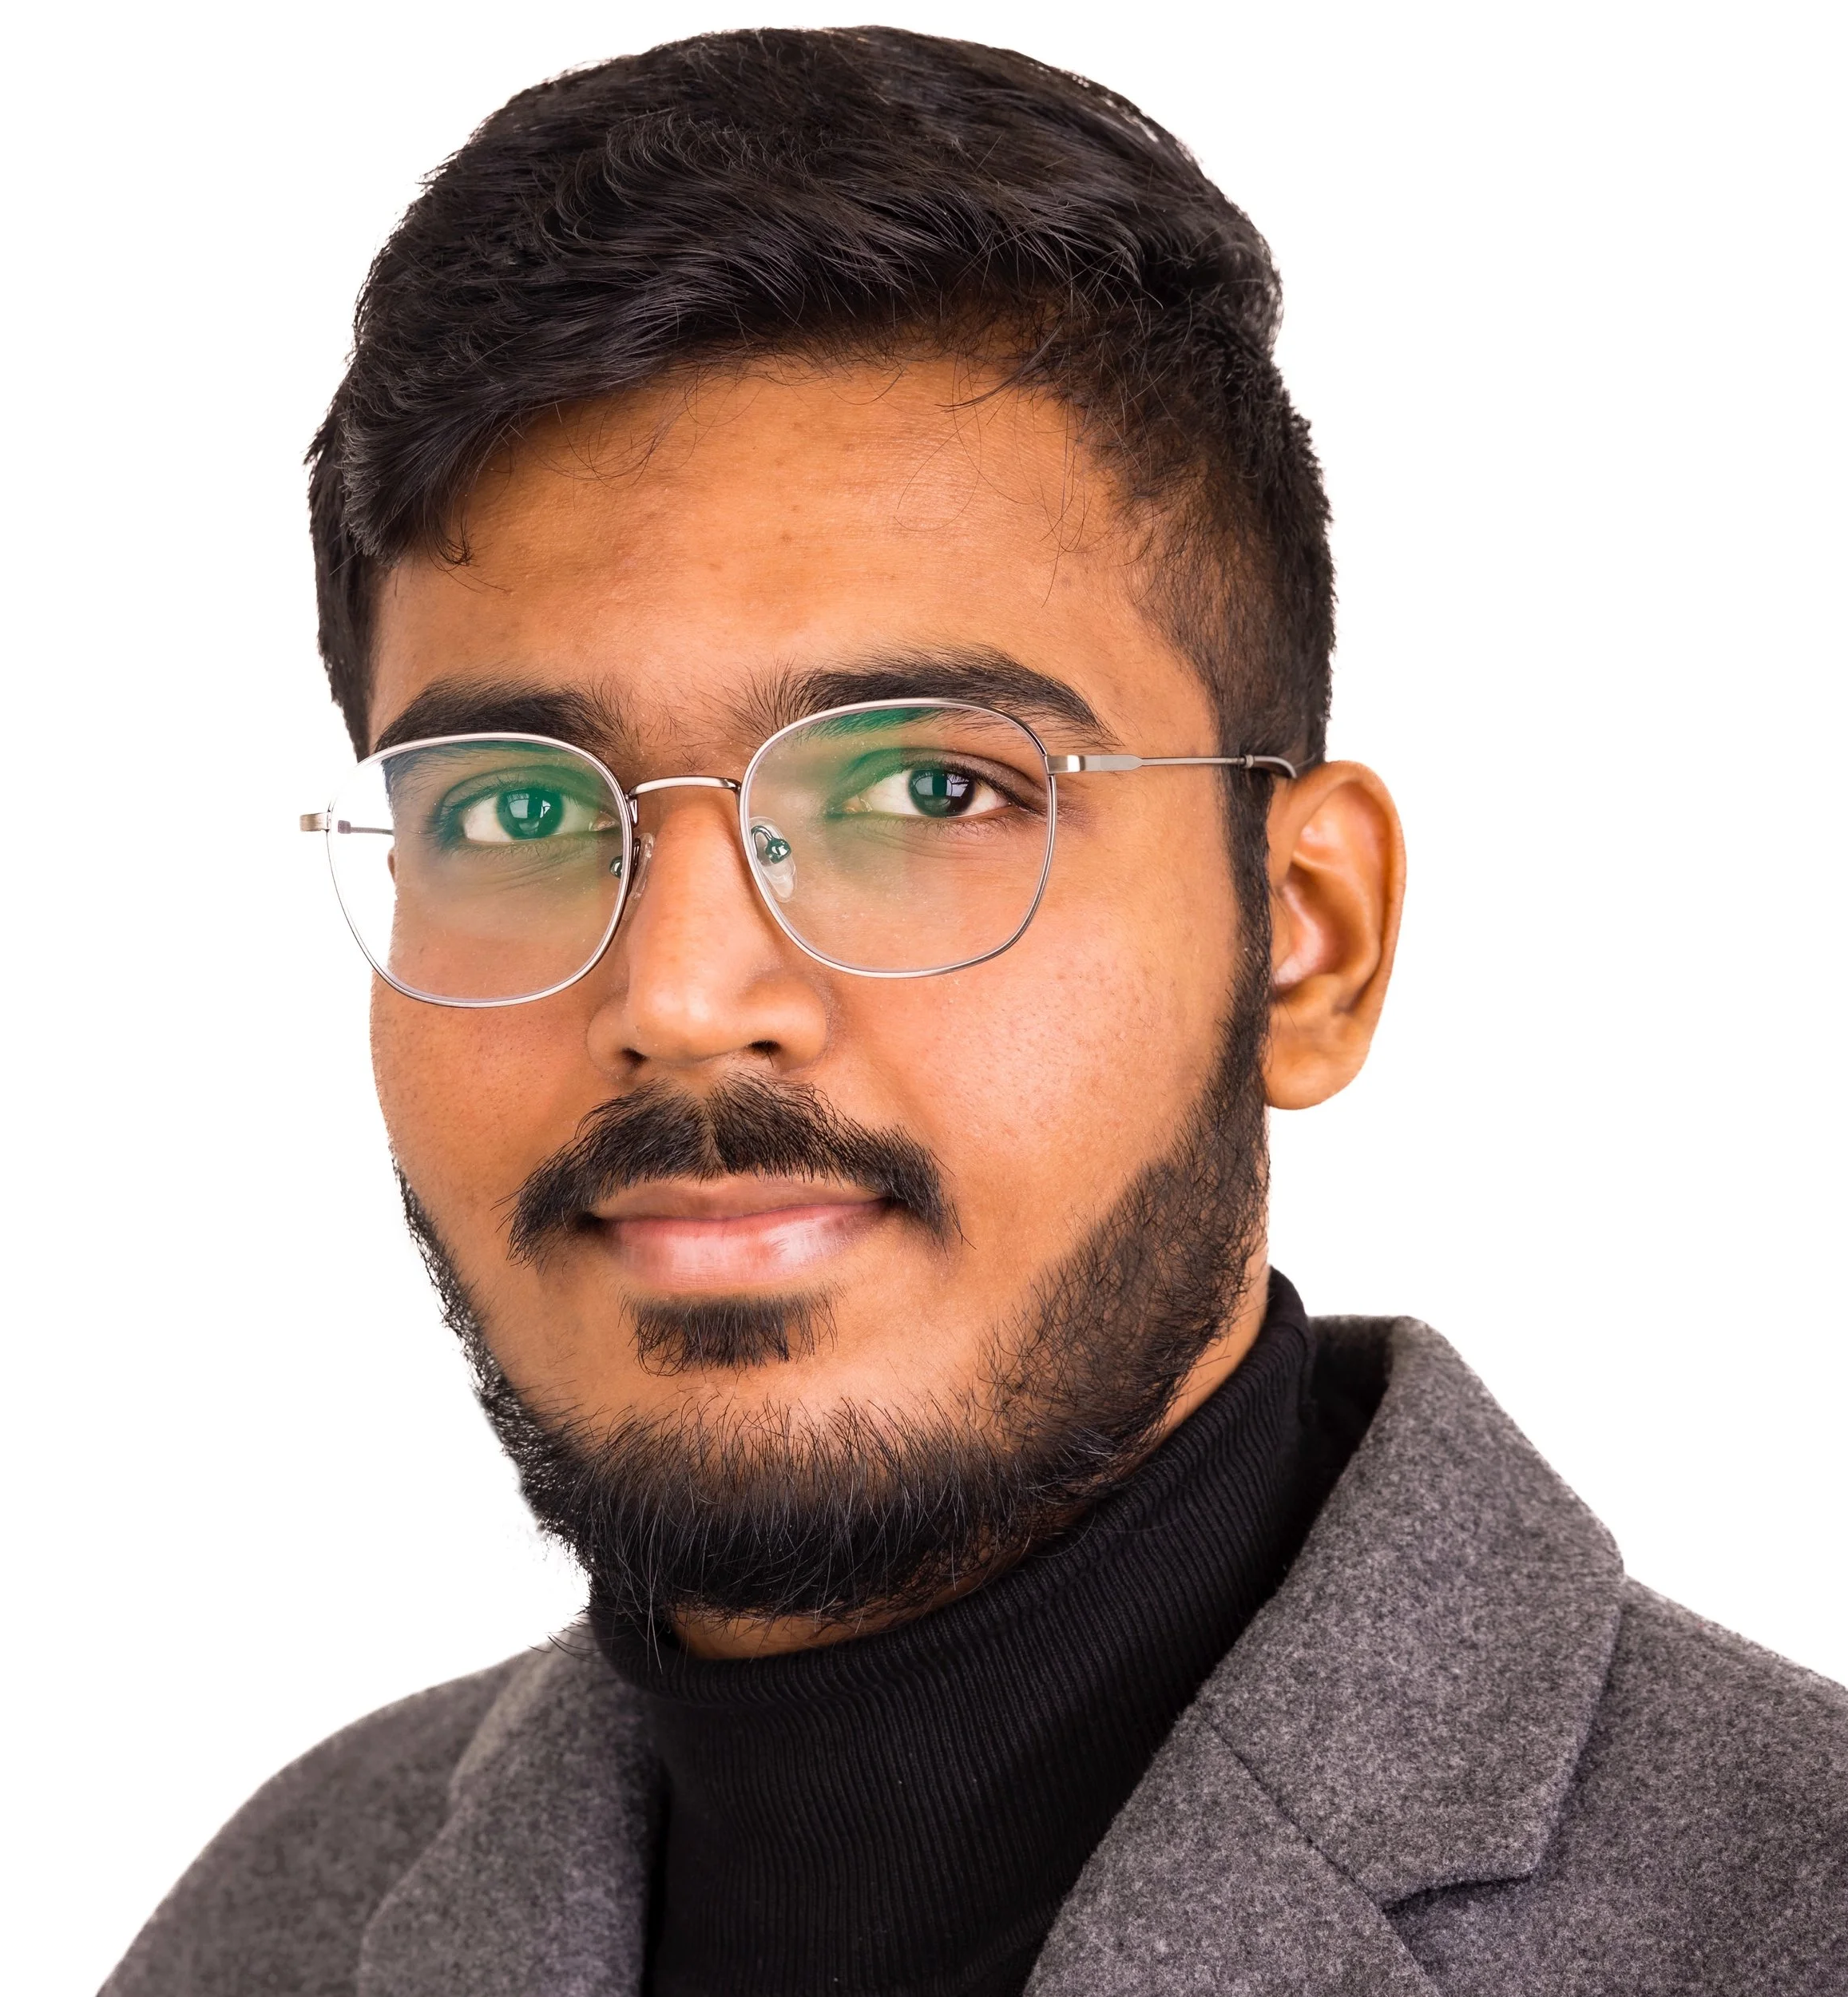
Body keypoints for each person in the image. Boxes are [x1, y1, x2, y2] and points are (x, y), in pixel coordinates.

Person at [102, 27, 1847, 1997]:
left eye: (926, 790)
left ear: (1306, 936)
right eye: (512, 808)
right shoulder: (275, 1919)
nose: (678, 994)